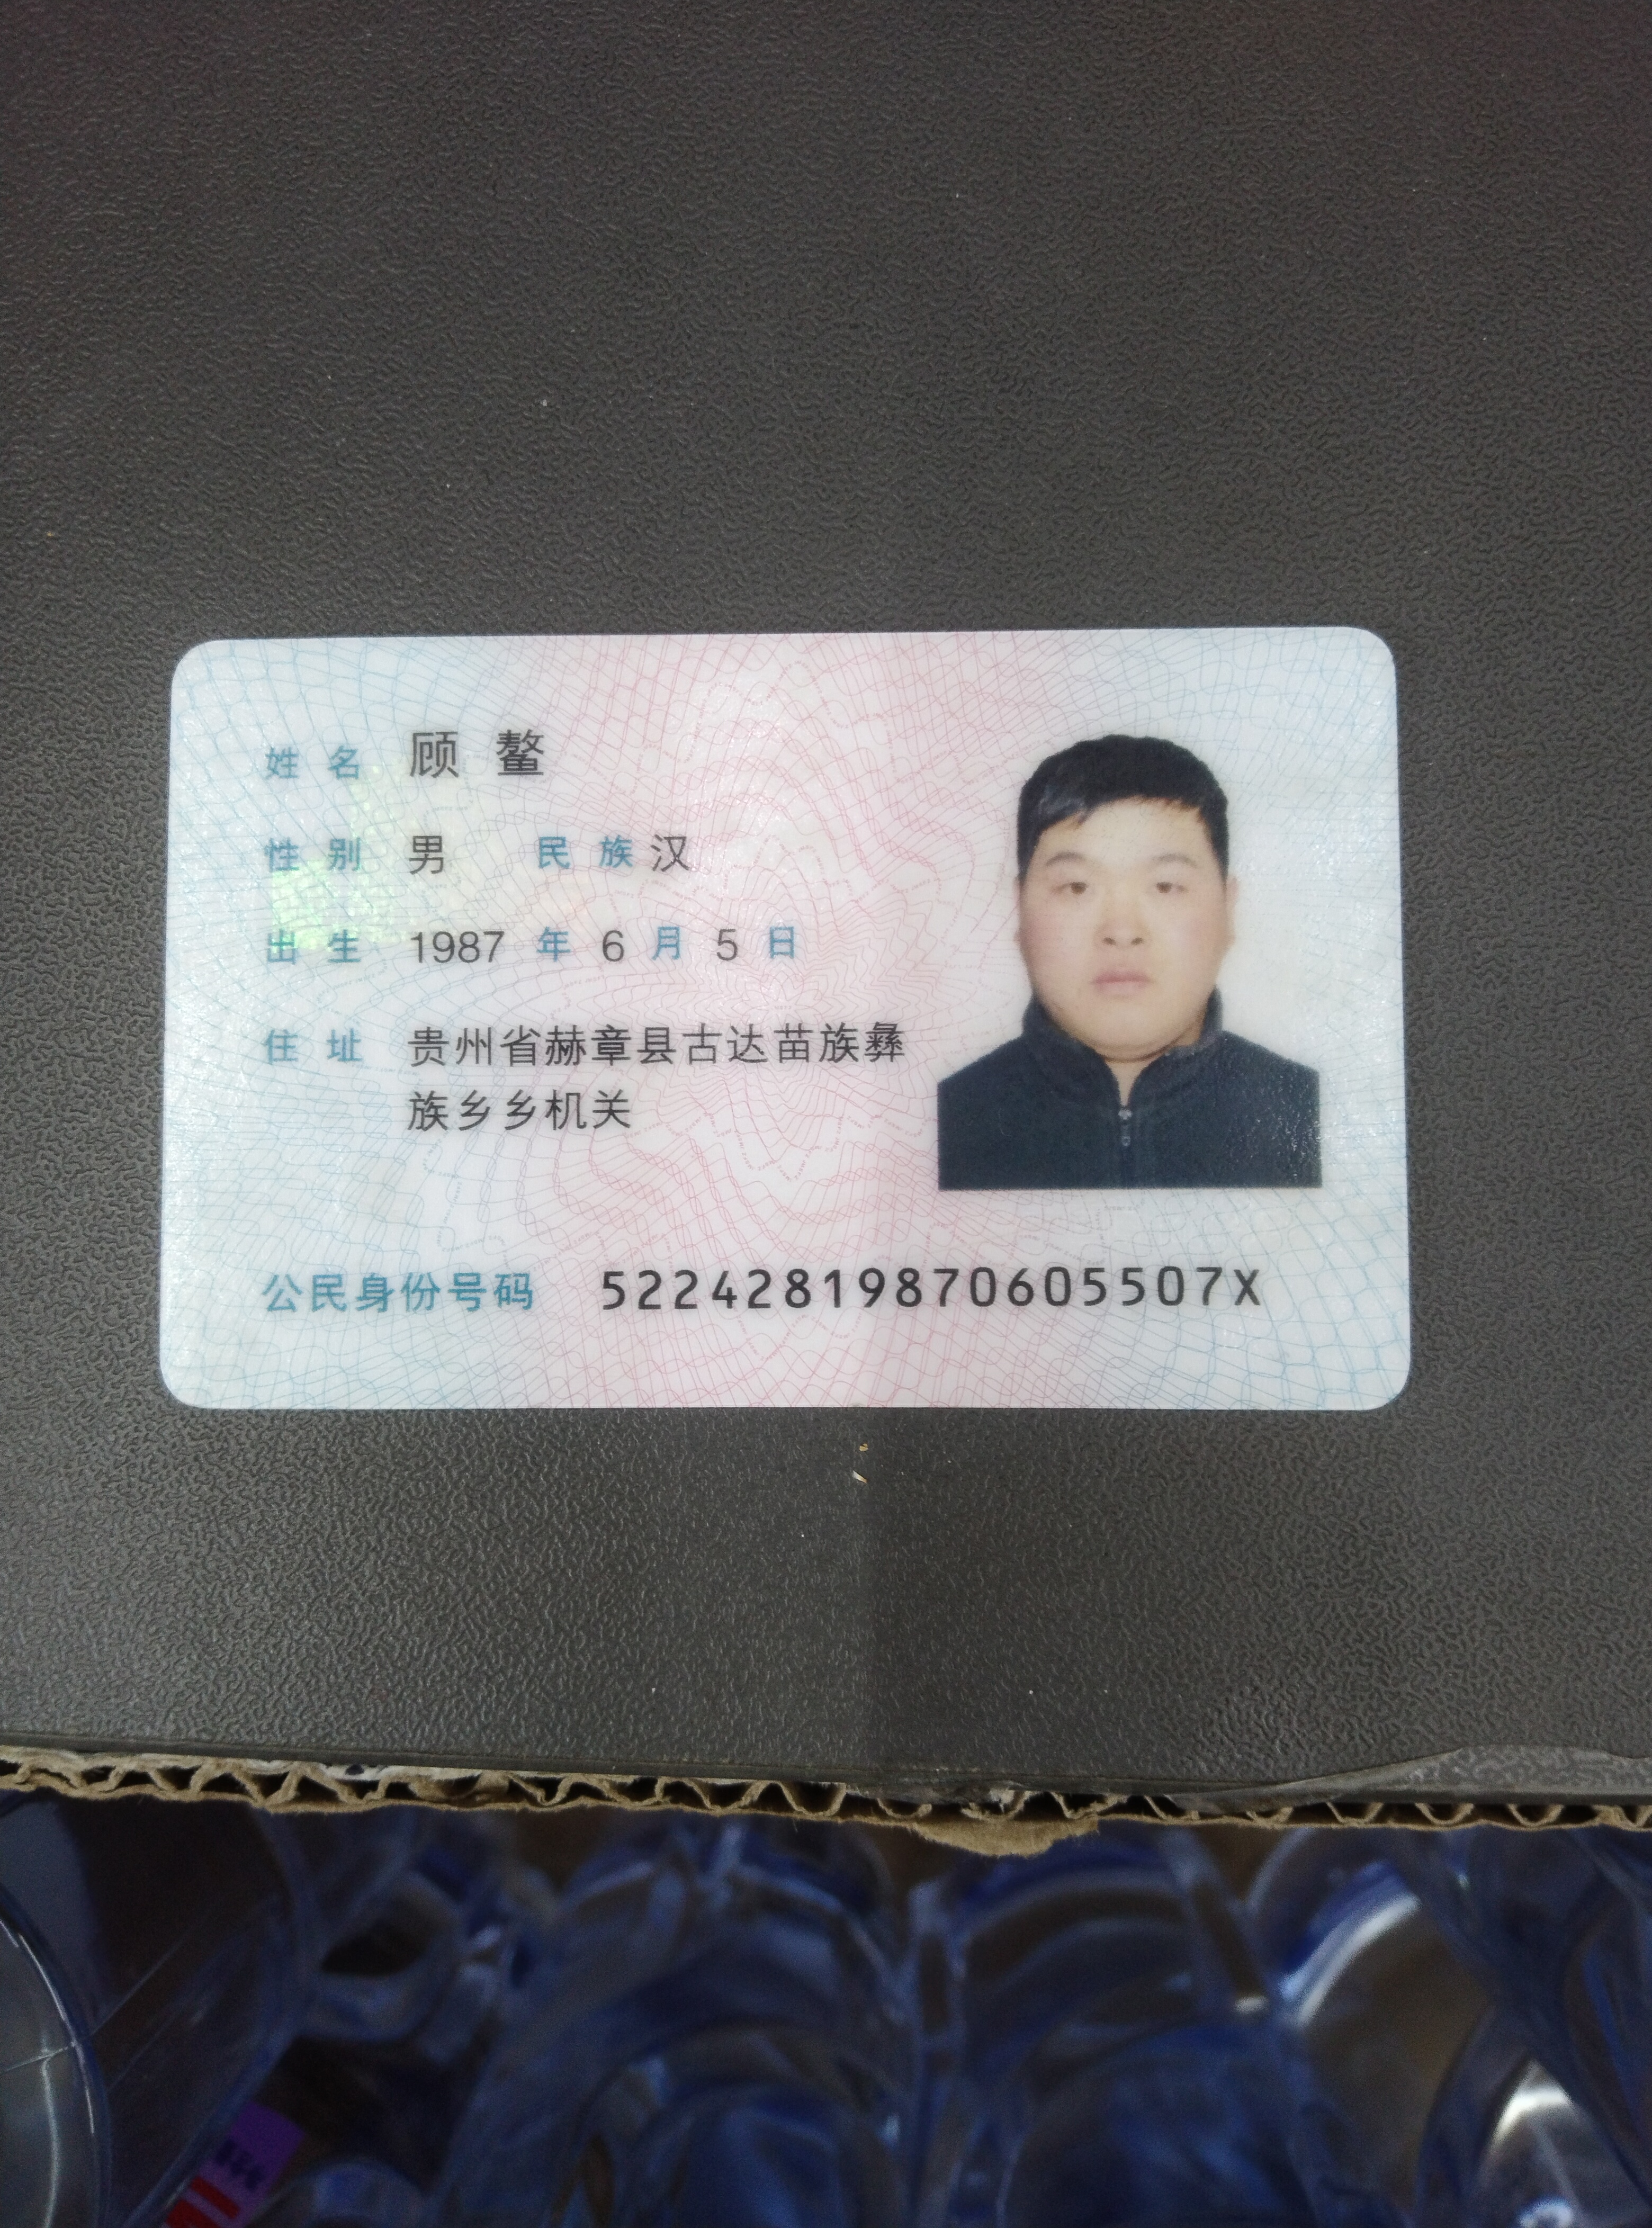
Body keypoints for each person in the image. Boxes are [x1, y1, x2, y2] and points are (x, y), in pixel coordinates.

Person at [937, 736, 1320, 1189]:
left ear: (1228, 910)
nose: (1122, 930)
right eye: (1077, 887)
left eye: (1165, 886)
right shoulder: (947, 1121)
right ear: (1019, 909)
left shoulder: (1305, 1110)